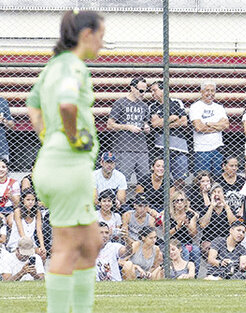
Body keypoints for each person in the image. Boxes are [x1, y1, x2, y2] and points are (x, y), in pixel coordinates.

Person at [26, 10, 104, 313]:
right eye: (100, 37)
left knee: (91, 243)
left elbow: (33, 109)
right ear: (86, 35)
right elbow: (68, 105)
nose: (101, 43)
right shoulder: (74, 66)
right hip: (69, 167)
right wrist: (71, 138)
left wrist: (50, 137)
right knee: (67, 248)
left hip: (51, 163)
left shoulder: (51, 67)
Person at [107, 77, 151, 184]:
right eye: (141, 90)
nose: (143, 94)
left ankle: (141, 201)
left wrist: (146, 127)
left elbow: (146, 123)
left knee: (145, 182)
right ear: (132, 88)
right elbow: (110, 124)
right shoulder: (120, 103)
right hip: (124, 149)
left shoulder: (144, 106)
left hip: (141, 149)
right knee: (122, 181)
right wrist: (128, 127)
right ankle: (121, 201)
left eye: (145, 91)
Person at [149, 80, 189, 189]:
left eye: (154, 90)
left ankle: (177, 201)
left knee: (180, 180)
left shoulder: (176, 102)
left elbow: (184, 122)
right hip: (161, 147)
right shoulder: (152, 106)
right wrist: (172, 118)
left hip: (179, 147)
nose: (152, 93)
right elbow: (155, 124)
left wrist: (163, 122)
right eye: (151, 91)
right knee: (161, 177)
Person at [189, 81, 229, 176]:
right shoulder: (195, 107)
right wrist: (218, 126)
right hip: (202, 149)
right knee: (202, 179)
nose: (210, 93)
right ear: (201, 91)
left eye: (212, 90)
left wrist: (208, 123)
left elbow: (226, 125)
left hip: (218, 148)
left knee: (218, 178)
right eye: (207, 90)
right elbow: (198, 127)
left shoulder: (219, 107)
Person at [6, 188, 46, 259]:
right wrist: (28, 246)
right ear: (23, 200)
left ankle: (38, 270)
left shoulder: (37, 212)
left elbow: (39, 230)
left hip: (31, 243)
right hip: (18, 242)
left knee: (43, 255)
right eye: (28, 200)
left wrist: (42, 246)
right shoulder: (18, 211)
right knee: (24, 255)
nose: (31, 202)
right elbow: (21, 231)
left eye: (33, 200)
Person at [168, 190, 201, 275]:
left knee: (196, 250)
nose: (179, 203)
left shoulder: (190, 214)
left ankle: (193, 275)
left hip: (187, 242)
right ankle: (181, 274)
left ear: (185, 202)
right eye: (177, 201)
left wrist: (187, 225)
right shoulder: (169, 215)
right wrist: (177, 227)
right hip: (173, 243)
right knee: (184, 251)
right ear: (173, 203)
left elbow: (194, 234)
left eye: (182, 200)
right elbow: (166, 234)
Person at [199, 183, 237, 255]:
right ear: (211, 196)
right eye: (214, 192)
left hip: (226, 240)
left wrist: (226, 206)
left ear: (224, 196)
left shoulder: (229, 209)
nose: (217, 194)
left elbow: (233, 224)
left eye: (219, 192)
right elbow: (203, 225)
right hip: (209, 240)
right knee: (207, 247)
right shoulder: (206, 209)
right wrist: (211, 207)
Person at [0, 97, 15, 161]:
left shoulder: (2, 101)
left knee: (2, 169)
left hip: (2, 147)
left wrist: (3, 120)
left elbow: (11, 126)